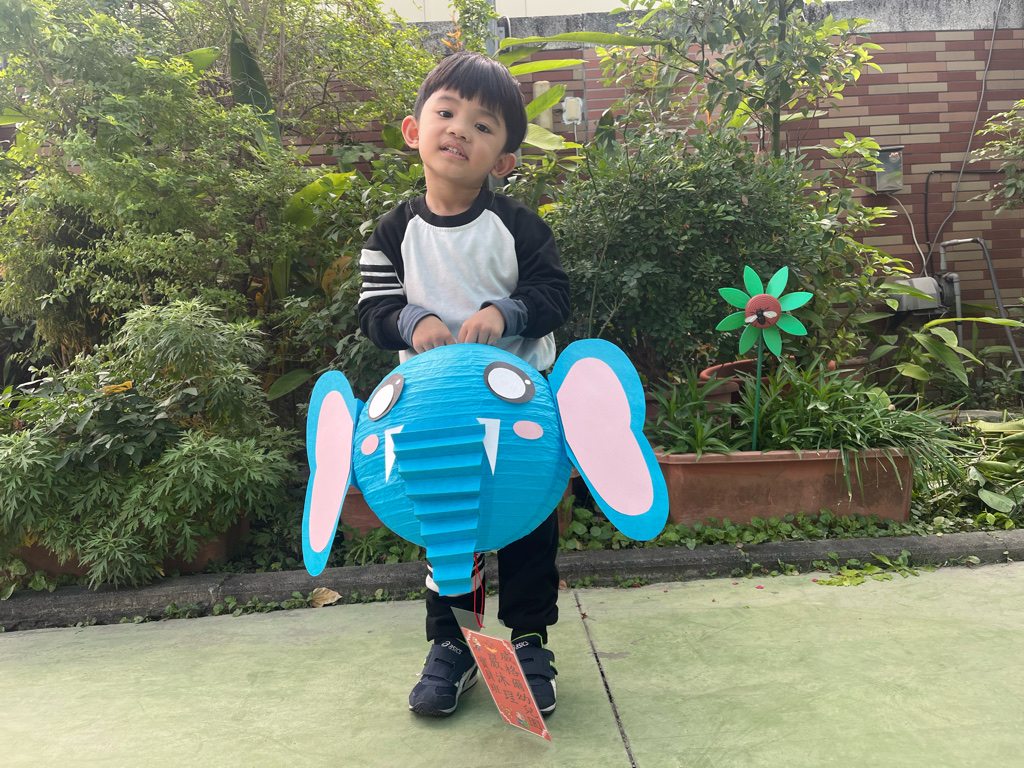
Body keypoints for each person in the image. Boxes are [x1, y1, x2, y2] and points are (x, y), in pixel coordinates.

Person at [357, 50, 570, 718]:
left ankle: (530, 641)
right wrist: (411, 320)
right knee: (447, 524)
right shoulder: (391, 234)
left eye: (482, 125)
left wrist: (505, 314)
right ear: (413, 130)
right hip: (432, 415)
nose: (459, 130)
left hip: (519, 416)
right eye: (446, 113)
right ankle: (452, 643)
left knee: (530, 527)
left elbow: (554, 294)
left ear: (502, 160)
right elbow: (373, 309)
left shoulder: (518, 227)